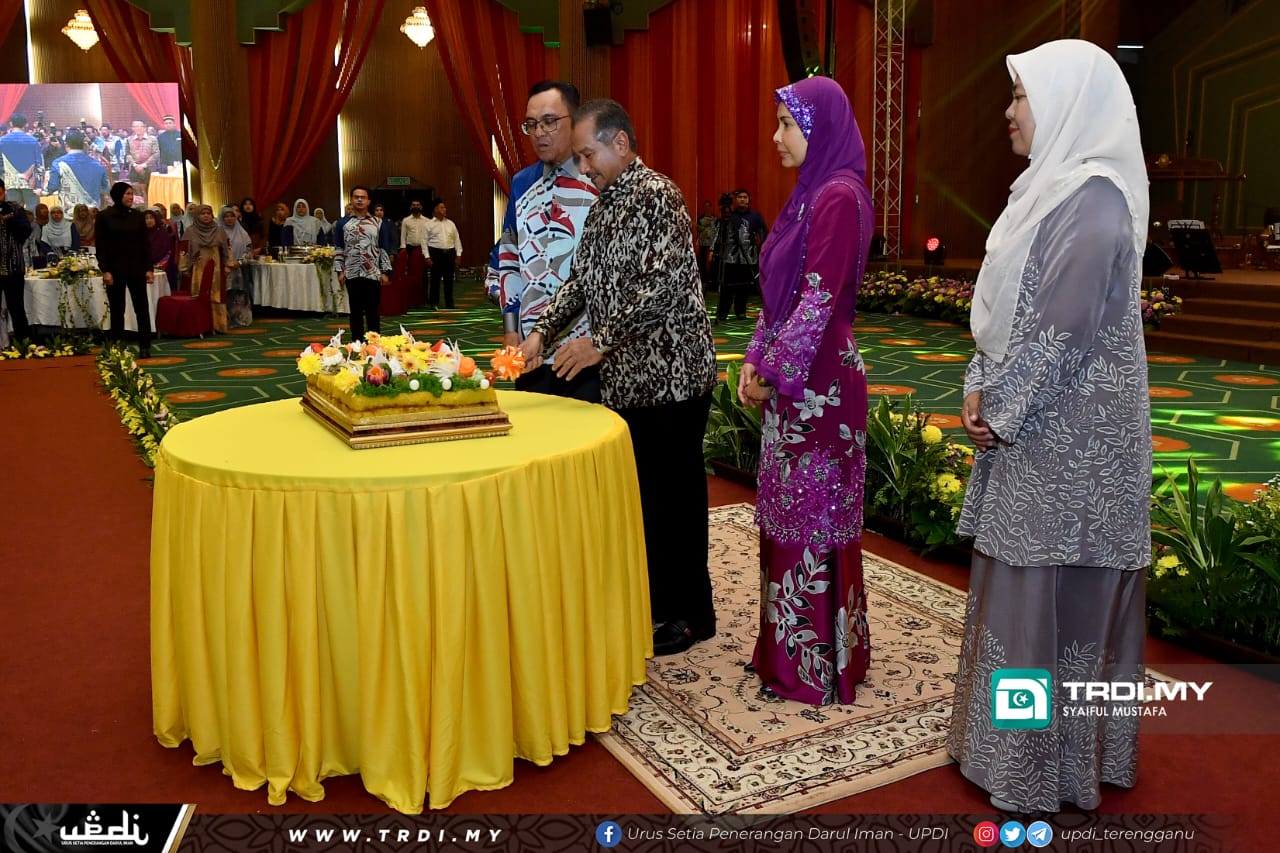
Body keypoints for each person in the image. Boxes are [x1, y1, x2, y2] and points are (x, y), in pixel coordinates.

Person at [945, 40, 1152, 815]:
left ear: (1066, 104)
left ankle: (1038, 769)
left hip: (1075, 456)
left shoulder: (1095, 205)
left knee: (1049, 602)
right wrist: (978, 383)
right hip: (1035, 439)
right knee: (1026, 601)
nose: (1008, 111)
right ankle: (1014, 750)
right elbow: (1004, 322)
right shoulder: (1046, 194)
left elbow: (1057, 334)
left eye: (1021, 96)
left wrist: (993, 407)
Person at [520, 99, 718, 656]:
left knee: (677, 498)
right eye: (580, 157)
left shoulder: (660, 197)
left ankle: (690, 613)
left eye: (589, 154)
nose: (584, 167)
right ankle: (656, 601)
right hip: (630, 382)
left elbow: (661, 290)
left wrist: (597, 342)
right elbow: (580, 283)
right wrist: (542, 332)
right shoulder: (604, 205)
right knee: (647, 498)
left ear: (621, 144)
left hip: (674, 378)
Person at [735, 76, 874, 704]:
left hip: (821, 383)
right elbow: (779, 295)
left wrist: (772, 372)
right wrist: (752, 361)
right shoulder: (808, 195)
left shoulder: (839, 197)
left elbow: (818, 301)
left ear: (818, 128)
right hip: (794, 377)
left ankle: (813, 664)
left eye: (787, 124)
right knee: (785, 510)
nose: (776, 137)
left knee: (812, 515)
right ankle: (786, 646)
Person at [487, 80, 600, 400]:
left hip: (585, 351)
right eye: (532, 124)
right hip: (531, 353)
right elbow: (508, 257)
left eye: (550, 122)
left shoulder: (598, 179)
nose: (539, 133)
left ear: (576, 122)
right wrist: (511, 330)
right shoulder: (522, 183)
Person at [95, 182, 155, 358]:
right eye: (127, 194)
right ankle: (118, 345)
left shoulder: (137, 216)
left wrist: (149, 268)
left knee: (141, 308)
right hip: (115, 270)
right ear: (118, 195)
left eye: (132, 194)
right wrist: (105, 270)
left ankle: (145, 345)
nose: (130, 197)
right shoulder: (105, 217)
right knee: (117, 309)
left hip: (136, 269)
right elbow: (101, 246)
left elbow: (145, 245)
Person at [333, 185, 392, 341]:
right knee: (355, 312)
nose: (359, 200)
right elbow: (339, 247)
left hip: (373, 273)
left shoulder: (378, 223)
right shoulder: (342, 223)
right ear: (351, 200)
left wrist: (385, 272)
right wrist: (340, 270)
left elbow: (384, 248)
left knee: (373, 312)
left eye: (363, 197)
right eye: (356, 197)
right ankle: (357, 344)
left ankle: (375, 345)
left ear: (368, 201)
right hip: (352, 273)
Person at [709, 189, 768, 323]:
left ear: (749, 200)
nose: (742, 199)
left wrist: (765, 248)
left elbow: (763, 232)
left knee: (745, 286)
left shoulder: (755, 216)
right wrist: (713, 250)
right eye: (740, 197)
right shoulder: (729, 215)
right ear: (735, 200)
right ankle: (722, 312)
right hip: (729, 256)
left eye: (745, 197)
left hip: (748, 256)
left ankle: (740, 311)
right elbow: (719, 233)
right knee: (727, 286)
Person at [182, 204, 231, 333]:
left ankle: (217, 325)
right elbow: (184, 250)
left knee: (216, 294)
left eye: (208, 213)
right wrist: (184, 268)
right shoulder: (190, 231)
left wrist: (227, 265)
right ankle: (200, 325)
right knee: (198, 294)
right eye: (202, 214)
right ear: (197, 216)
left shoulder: (219, 230)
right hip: (197, 267)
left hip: (216, 267)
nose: (206, 216)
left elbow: (227, 248)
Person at [0, 182, 34, 341]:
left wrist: (9, 221)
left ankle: (23, 344)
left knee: (17, 308)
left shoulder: (15, 210)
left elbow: (26, 231)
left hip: (13, 266)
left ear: (4, 193)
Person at [46, 129, 111, 212]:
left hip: (69, 214)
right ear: (83, 145)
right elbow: (106, 188)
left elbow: (52, 187)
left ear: (66, 144)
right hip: (92, 214)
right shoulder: (98, 165)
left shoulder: (58, 163)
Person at [424, 200, 462, 309]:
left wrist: (458, 254)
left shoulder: (451, 224)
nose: (444, 210)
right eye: (441, 207)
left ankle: (449, 303)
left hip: (449, 253)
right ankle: (434, 302)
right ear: (435, 210)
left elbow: (457, 240)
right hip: (435, 253)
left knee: (449, 279)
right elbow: (424, 242)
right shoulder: (429, 225)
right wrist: (427, 256)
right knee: (435, 279)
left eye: (445, 208)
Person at [0, 114, 42, 210]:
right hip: (31, 183)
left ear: (11, 124)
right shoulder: (33, 141)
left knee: (13, 213)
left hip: (10, 182)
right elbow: (39, 165)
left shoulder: (1, 141)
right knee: (33, 213)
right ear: (26, 124)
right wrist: (39, 185)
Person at [400, 199, 430, 300]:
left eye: (418, 205)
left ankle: (424, 298)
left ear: (421, 207)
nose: (416, 207)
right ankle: (412, 298)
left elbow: (429, 237)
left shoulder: (427, 221)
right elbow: (403, 236)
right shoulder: (406, 220)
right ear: (410, 207)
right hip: (410, 249)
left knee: (423, 274)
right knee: (411, 274)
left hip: (423, 249)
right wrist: (403, 250)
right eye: (413, 205)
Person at [143, 210, 175, 287]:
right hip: (144, 268)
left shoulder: (162, 233)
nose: (149, 220)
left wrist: (153, 264)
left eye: (151, 218)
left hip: (160, 268)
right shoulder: (140, 234)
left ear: (156, 219)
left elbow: (165, 251)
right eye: (146, 218)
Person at [696, 200, 716, 286]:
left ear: (711, 207)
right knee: (703, 260)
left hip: (712, 242)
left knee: (713, 260)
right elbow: (698, 229)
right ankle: (703, 276)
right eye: (706, 206)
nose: (707, 208)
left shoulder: (715, 218)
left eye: (709, 206)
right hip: (703, 242)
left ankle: (712, 277)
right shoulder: (700, 218)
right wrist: (704, 225)